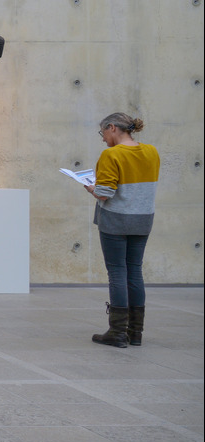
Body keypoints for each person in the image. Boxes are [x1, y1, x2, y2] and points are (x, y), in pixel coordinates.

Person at [83, 112, 159, 348]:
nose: (103, 138)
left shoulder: (111, 154)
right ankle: (135, 332)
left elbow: (105, 194)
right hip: (143, 220)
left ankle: (117, 332)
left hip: (116, 221)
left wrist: (91, 188)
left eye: (103, 132)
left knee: (117, 272)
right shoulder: (151, 152)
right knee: (134, 272)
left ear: (112, 128)